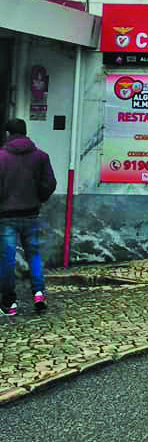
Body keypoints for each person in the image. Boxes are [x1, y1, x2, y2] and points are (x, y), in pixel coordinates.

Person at [0, 119, 57, 317]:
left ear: (9, 133)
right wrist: (38, 197)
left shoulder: (1, 157)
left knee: (7, 259)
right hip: (31, 213)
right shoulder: (41, 156)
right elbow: (50, 183)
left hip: (6, 216)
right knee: (33, 254)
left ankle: (10, 303)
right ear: (25, 133)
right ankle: (39, 294)